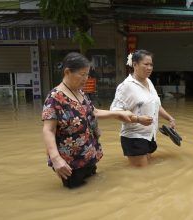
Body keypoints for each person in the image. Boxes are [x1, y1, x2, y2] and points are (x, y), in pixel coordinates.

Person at [42, 52, 137, 188]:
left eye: (87, 74)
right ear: (67, 72)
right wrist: (56, 159)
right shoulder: (54, 98)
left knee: (92, 189)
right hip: (70, 162)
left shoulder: (80, 92)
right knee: (76, 195)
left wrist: (118, 114)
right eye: (82, 74)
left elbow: (94, 112)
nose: (86, 78)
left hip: (88, 155)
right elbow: (48, 130)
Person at [110, 49, 176, 167]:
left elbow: (156, 105)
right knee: (141, 177)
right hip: (134, 137)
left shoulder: (149, 82)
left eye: (151, 64)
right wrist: (138, 119)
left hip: (150, 135)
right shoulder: (126, 86)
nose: (149, 67)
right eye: (146, 64)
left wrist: (169, 118)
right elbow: (115, 112)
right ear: (135, 64)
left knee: (146, 173)